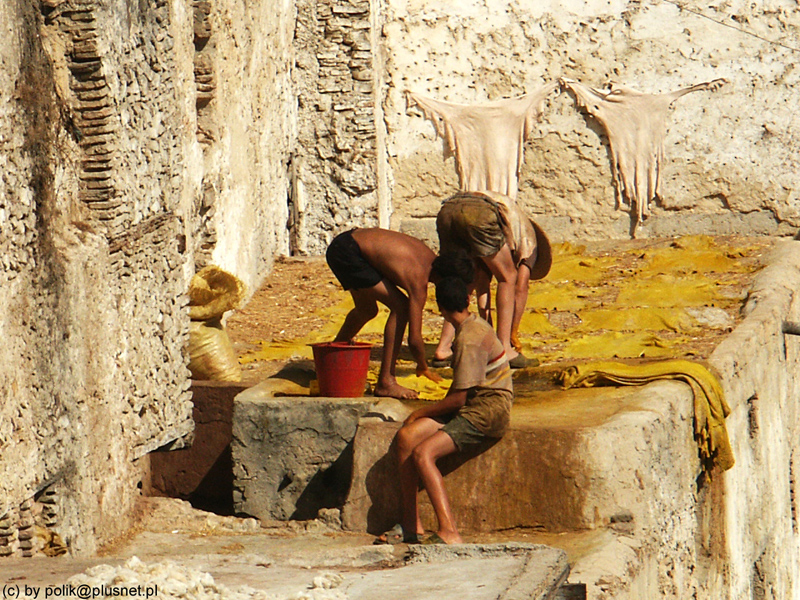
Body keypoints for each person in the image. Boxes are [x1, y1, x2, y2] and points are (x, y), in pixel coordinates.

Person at [393, 275, 514, 544]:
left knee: (424, 454)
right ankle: (412, 524)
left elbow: (459, 400)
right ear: (467, 300)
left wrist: (421, 412)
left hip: (486, 412)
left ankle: (449, 531)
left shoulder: (468, 339)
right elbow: (461, 392)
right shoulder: (473, 324)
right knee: (406, 438)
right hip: (473, 404)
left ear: (440, 310)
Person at [325, 228, 470, 399]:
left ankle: (329, 364)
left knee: (366, 310)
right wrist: (423, 366)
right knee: (401, 307)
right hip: (348, 252)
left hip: (346, 243)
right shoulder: (418, 278)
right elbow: (414, 339)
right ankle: (386, 382)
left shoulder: (429, 258)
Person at [434, 191, 531, 368]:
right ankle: (505, 349)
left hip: (448, 211)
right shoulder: (530, 238)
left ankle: (444, 348)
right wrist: (512, 332)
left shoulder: (506, 210)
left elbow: (481, 282)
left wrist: (486, 325)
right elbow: (521, 284)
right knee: (508, 276)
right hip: (478, 214)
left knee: (461, 278)